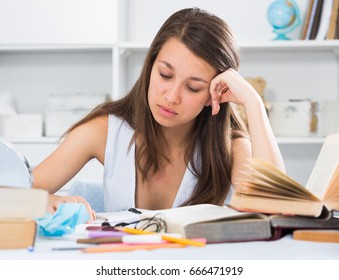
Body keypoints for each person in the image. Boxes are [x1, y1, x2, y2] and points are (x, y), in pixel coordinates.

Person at [32, 7, 285, 221]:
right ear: (151, 66)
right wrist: (42, 201)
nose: (172, 96)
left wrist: (253, 102)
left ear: (213, 93)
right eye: (165, 75)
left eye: (193, 87)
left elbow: (274, 209)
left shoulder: (230, 146)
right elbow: (9, 196)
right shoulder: (104, 130)